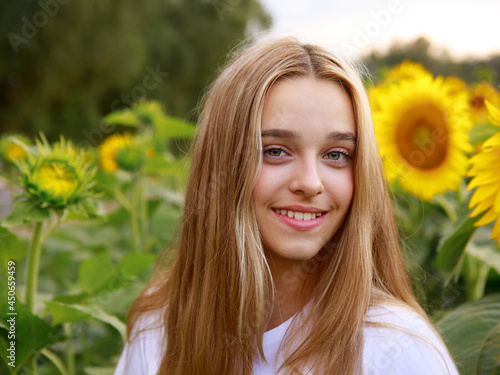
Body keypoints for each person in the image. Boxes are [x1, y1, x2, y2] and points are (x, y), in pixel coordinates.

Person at [114, 37, 459, 375]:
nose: (310, 183)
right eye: (275, 150)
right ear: (220, 166)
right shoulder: (159, 327)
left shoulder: (398, 349)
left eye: (336, 155)